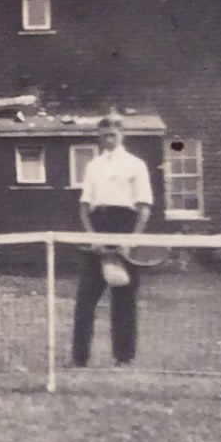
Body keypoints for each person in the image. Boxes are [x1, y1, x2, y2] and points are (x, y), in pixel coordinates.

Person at [71, 113, 153, 367]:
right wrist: (92, 237)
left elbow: (144, 208)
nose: (108, 139)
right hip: (99, 226)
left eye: (113, 134)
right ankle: (79, 358)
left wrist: (131, 241)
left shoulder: (136, 164)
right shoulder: (93, 165)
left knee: (124, 298)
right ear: (99, 136)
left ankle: (124, 357)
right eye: (104, 134)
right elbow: (84, 207)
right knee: (85, 299)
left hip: (125, 226)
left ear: (122, 134)